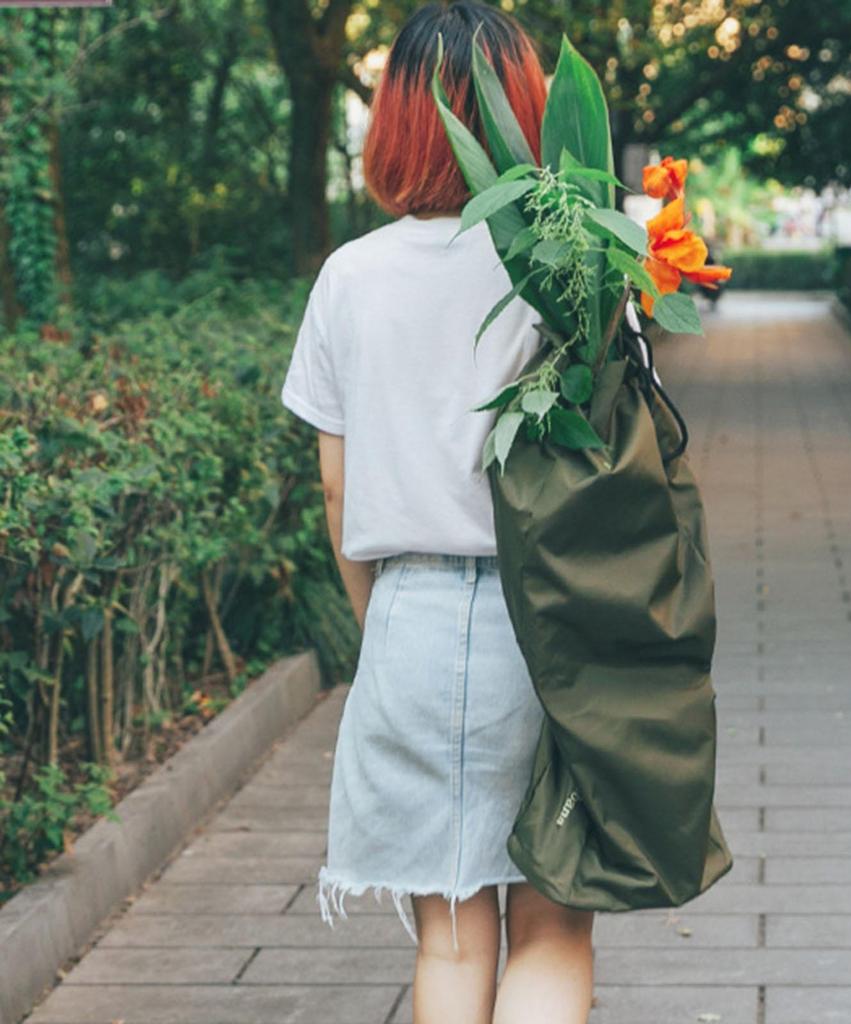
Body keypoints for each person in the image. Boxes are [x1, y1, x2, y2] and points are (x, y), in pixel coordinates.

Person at [278, 3, 596, 1022]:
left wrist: (380, 623)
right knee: (552, 928)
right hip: (553, 623)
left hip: (409, 621)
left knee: (450, 939)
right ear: (530, 112)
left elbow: (337, 491)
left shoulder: (349, 278)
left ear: (401, 120)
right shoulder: (573, 267)